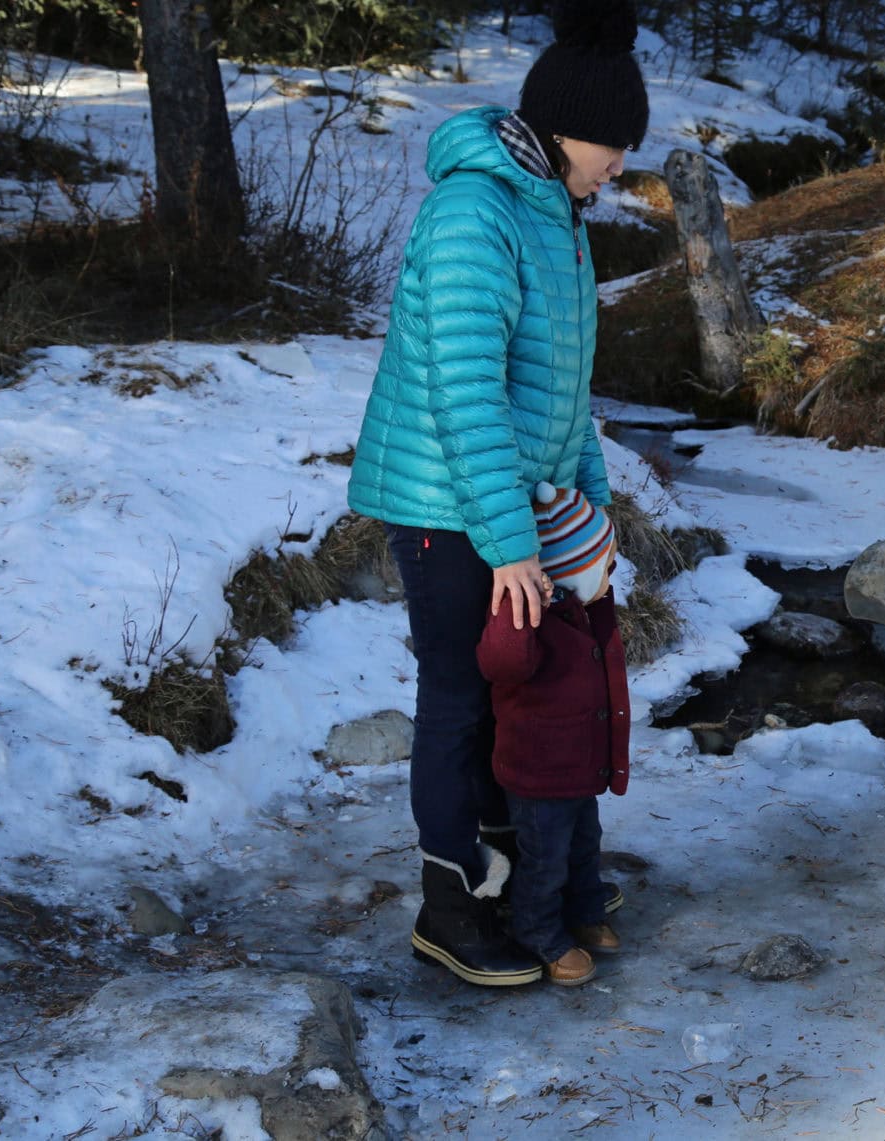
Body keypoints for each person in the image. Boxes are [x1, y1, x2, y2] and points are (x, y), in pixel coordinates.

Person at [345, 0, 648, 987]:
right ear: (565, 131)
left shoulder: (554, 217)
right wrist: (513, 543)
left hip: (509, 504)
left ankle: (522, 877)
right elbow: (466, 390)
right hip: (446, 506)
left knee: (521, 688)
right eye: (615, 144)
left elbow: (563, 399)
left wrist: (591, 518)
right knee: (462, 700)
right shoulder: (477, 211)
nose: (619, 165)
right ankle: (449, 903)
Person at [477, 485, 632, 987]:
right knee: (545, 858)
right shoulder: (530, 622)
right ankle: (539, 934)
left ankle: (585, 912)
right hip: (538, 773)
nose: (612, 577)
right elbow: (500, 663)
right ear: (571, 574)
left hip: (580, 768)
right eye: (604, 567)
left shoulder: (585, 611)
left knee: (586, 844)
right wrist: (518, 607)